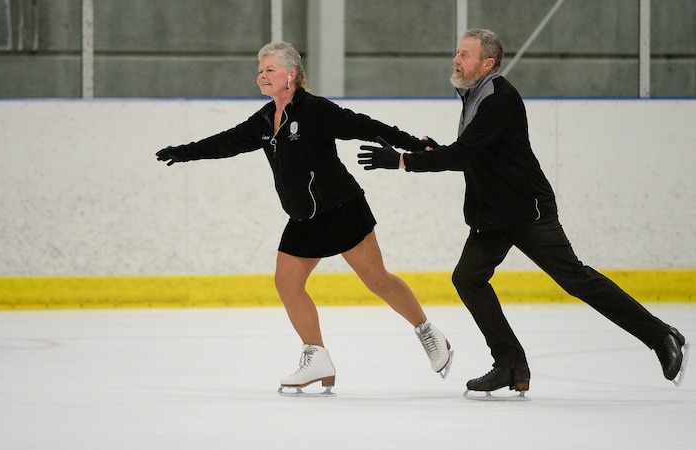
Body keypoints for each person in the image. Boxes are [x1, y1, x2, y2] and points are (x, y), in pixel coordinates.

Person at [357, 28, 688, 396]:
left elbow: (463, 155)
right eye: (457, 52)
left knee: (576, 279)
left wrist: (402, 160)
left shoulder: (500, 98)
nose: (456, 59)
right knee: (468, 278)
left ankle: (661, 336)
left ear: (488, 63)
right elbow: (470, 151)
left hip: (526, 210)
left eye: (465, 54)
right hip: (492, 215)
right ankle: (511, 364)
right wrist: (431, 150)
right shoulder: (473, 95)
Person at [155, 41, 453, 395]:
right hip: (304, 217)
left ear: (291, 76)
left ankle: (429, 333)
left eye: (270, 70)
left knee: (377, 281)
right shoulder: (266, 119)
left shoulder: (315, 111)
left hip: (341, 208)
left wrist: (416, 147)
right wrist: (185, 153)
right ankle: (317, 357)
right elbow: (227, 141)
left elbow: (363, 125)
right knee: (287, 283)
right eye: (260, 70)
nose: (262, 76)